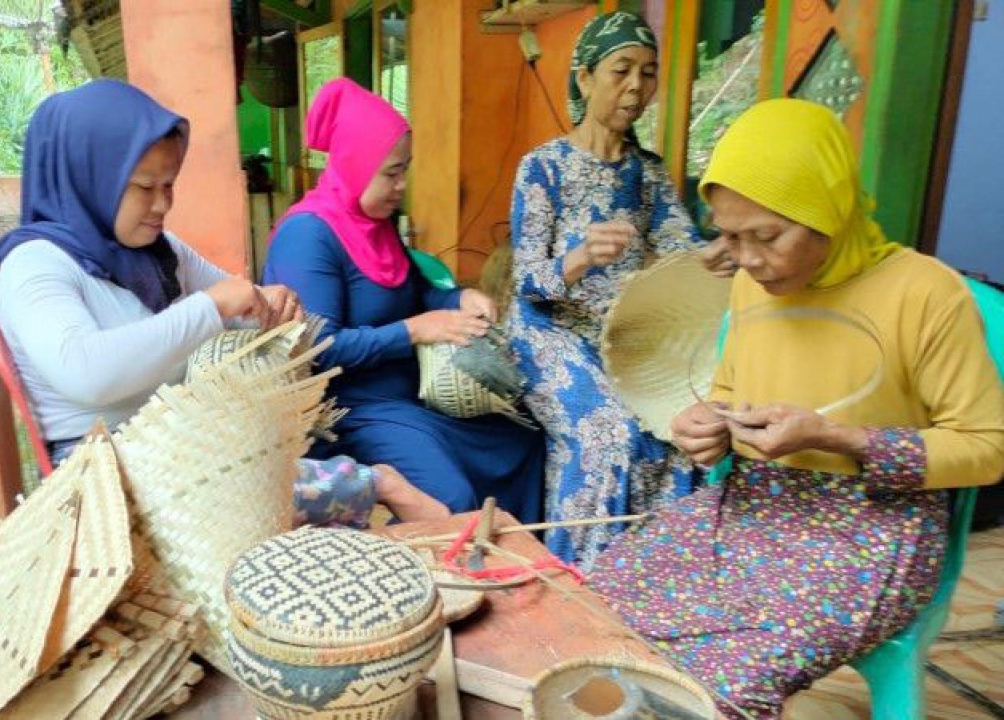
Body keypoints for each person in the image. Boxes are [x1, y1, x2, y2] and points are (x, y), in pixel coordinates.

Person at [589, 99, 1004, 719]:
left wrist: (842, 439)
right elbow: (730, 394)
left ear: (827, 212)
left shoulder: (926, 294)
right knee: (591, 609)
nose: (750, 259)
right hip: (749, 510)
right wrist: (706, 429)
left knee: (718, 684)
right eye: (730, 236)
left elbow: (988, 448)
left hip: (870, 534)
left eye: (767, 236)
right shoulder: (751, 284)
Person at [0, 79, 448, 527]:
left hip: (180, 443)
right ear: (90, 178)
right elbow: (87, 373)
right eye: (145, 187)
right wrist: (211, 308)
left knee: (306, 469)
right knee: (300, 487)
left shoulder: (155, 251)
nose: (162, 205)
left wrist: (270, 306)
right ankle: (382, 489)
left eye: (169, 185)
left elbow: (241, 304)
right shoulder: (34, 266)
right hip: (103, 471)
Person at [263, 78, 545, 522]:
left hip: (409, 396)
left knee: (521, 444)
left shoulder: (377, 224)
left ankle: (508, 567)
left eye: (404, 170)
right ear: (355, 164)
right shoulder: (309, 235)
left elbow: (418, 292)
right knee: (447, 495)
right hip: (349, 409)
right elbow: (319, 349)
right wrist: (414, 330)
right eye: (390, 172)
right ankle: (440, 584)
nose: (401, 185)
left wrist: (460, 297)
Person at [508, 11, 718, 566]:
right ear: (584, 78)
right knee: (608, 433)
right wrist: (578, 257)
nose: (636, 87)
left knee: (681, 430)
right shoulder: (543, 168)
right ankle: (580, 580)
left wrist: (731, 250)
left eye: (648, 74)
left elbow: (685, 247)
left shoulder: (646, 173)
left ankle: (650, 579)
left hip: (625, 330)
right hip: (549, 329)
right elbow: (527, 280)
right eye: (621, 70)